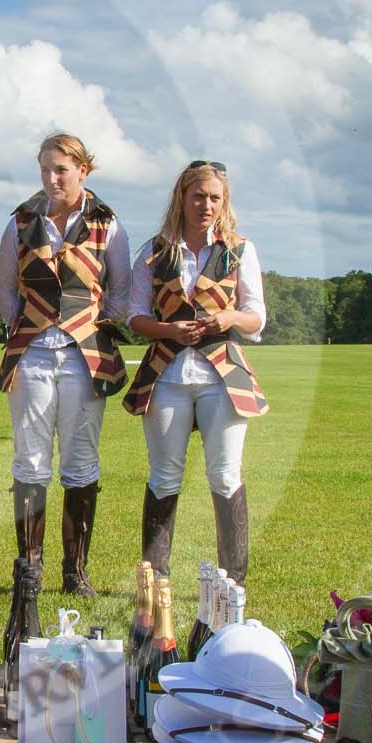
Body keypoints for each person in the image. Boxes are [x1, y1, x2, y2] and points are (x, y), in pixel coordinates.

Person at [0, 134, 131, 667]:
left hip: (84, 354)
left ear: (83, 170)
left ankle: (76, 572)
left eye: (62, 169)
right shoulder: (21, 222)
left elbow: (118, 288)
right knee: (29, 461)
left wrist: (95, 324)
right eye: (46, 169)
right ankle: (30, 567)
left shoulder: (108, 223)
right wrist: (18, 325)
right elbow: (6, 285)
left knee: (80, 462)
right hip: (32, 352)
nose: (52, 178)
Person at [123, 160, 269, 582]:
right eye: (198, 196)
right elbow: (135, 315)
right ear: (182, 198)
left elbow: (257, 315)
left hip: (223, 378)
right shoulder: (154, 251)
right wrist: (168, 328)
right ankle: (157, 582)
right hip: (166, 376)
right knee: (164, 476)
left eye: (215, 198)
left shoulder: (240, 249)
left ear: (224, 203)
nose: (206, 205)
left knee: (225, 475)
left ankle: (232, 584)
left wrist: (229, 318)